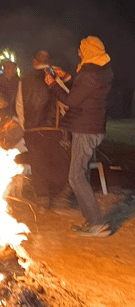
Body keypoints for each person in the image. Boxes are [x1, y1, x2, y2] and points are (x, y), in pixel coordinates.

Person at [45, 36, 113, 237]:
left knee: (75, 176)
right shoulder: (100, 71)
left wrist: (52, 84)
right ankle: (92, 221)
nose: (78, 53)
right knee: (78, 175)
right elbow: (83, 91)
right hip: (91, 126)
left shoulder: (90, 74)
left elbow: (71, 100)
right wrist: (65, 77)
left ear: (90, 51)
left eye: (81, 49)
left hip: (85, 129)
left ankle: (98, 223)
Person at [15, 51, 71, 211]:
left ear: (34, 62)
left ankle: (42, 200)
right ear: (49, 61)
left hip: (33, 129)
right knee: (55, 162)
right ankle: (57, 196)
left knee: (38, 164)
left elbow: (20, 106)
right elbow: (66, 99)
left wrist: (26, 127)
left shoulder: (24, 80)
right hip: (53, 127)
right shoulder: (54, 77)